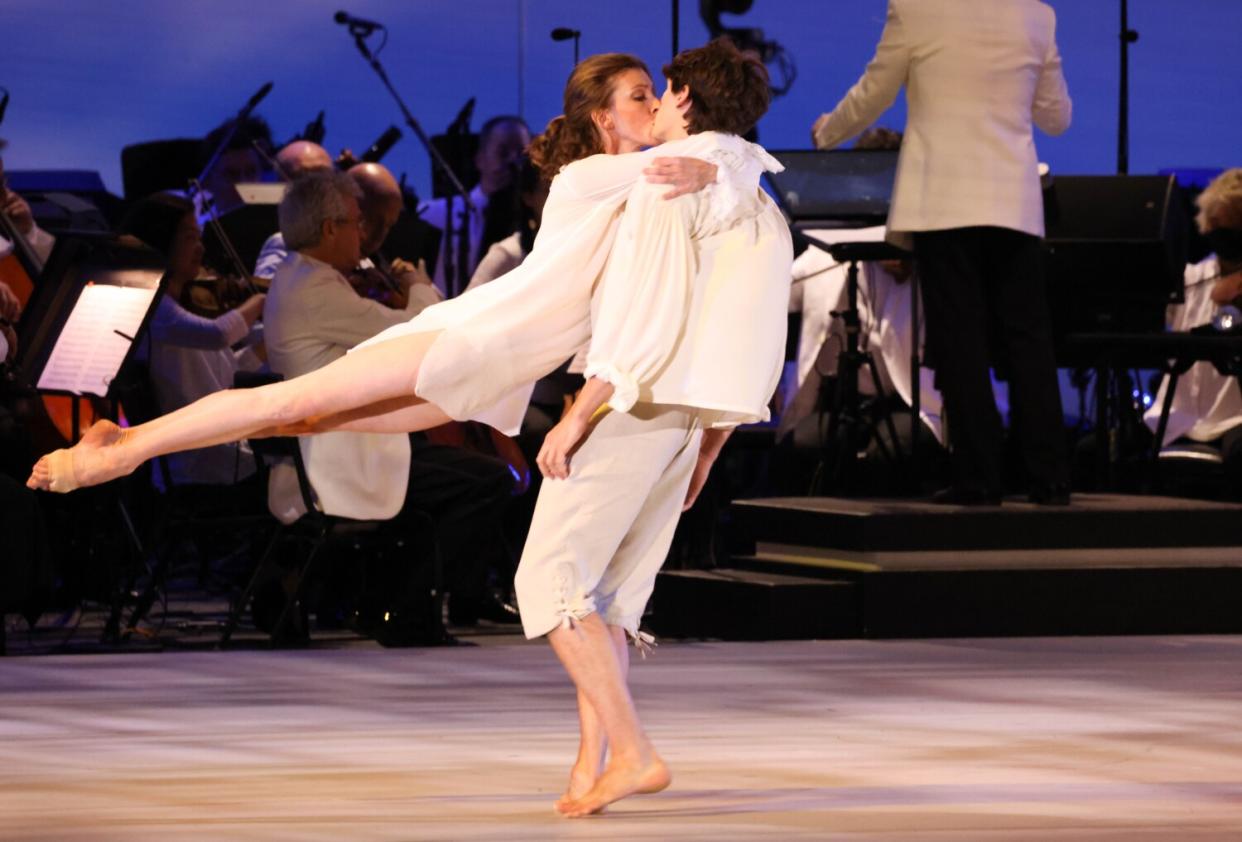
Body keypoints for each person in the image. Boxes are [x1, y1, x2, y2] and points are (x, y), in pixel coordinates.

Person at [514, 37, 789, 816]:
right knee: (604, 599)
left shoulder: (672, 181)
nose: (657, 105)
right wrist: (711, 441)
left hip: (636, 403)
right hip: (685, 416)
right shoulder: (752, 189)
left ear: (685, 101)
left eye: (662, 93)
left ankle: (632, 752)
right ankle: (590, 766)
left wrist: (577, 413)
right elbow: (754, 332)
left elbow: (646, 318)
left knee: (551, 581)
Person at [812, 0, 1073, 505]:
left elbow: (875, 91)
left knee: (961, 340)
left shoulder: (915, 9)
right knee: (1028, 340)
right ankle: (1049, 476)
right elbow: (1057, 117)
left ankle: (980, 477)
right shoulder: (1037, 15)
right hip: (1013, 202)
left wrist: (827, 133)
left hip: (944, 202)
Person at [261, 169, 509, 631]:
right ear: (330, 228)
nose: (364, 235)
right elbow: (421, 328)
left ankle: (404, 602)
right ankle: (409, 607)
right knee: (487, 480)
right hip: (344, 457)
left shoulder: (298, 277)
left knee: (471, 473)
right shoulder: (316, 289)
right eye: (357, 223)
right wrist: (416, 282)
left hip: (337, 444)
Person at [119, 193, 265, 489]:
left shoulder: (174, 307)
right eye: (189, 238)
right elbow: (218, 334)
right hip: (199, 460)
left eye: (199, 238)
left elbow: (224, 376)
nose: (200, 249)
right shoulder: (153, 307)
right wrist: (260, 300)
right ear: (161, 241)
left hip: (213, 446)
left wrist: (264, 348)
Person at [1144, 168, 1242, 484]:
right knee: (1099, 451)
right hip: (1176, 418)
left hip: (1234, 419)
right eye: (1219, 225)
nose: (1225, 233)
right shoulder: (1189, 279)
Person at [418, 115, 531, 295]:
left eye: (521, 154)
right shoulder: (434, 215)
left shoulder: (532, 220)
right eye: (502, 152)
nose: (512, 162)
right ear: (479, 158)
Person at [253, 141, 335, 280]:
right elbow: (270, 296)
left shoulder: (347, 238)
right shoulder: (284, 243)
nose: (317, 187)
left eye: (324, 177)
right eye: (303, 178)